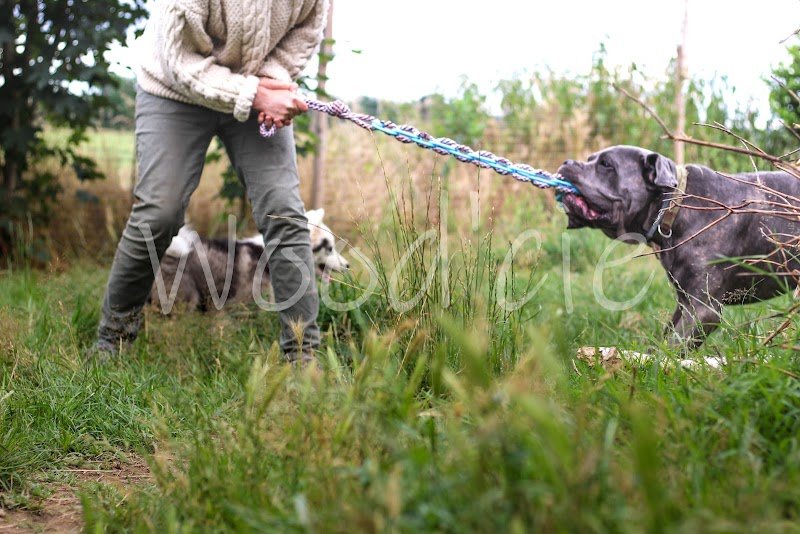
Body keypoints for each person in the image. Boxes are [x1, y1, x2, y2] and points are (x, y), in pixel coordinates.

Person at [93, 0, 329, 365]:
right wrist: (254, 93)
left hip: (259, 89)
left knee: (285, 212)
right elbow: (180, 60)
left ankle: (303, 355)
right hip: (174, 87)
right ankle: (114, 338)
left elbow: (307, 30)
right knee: (160, 211)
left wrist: (273, 80)